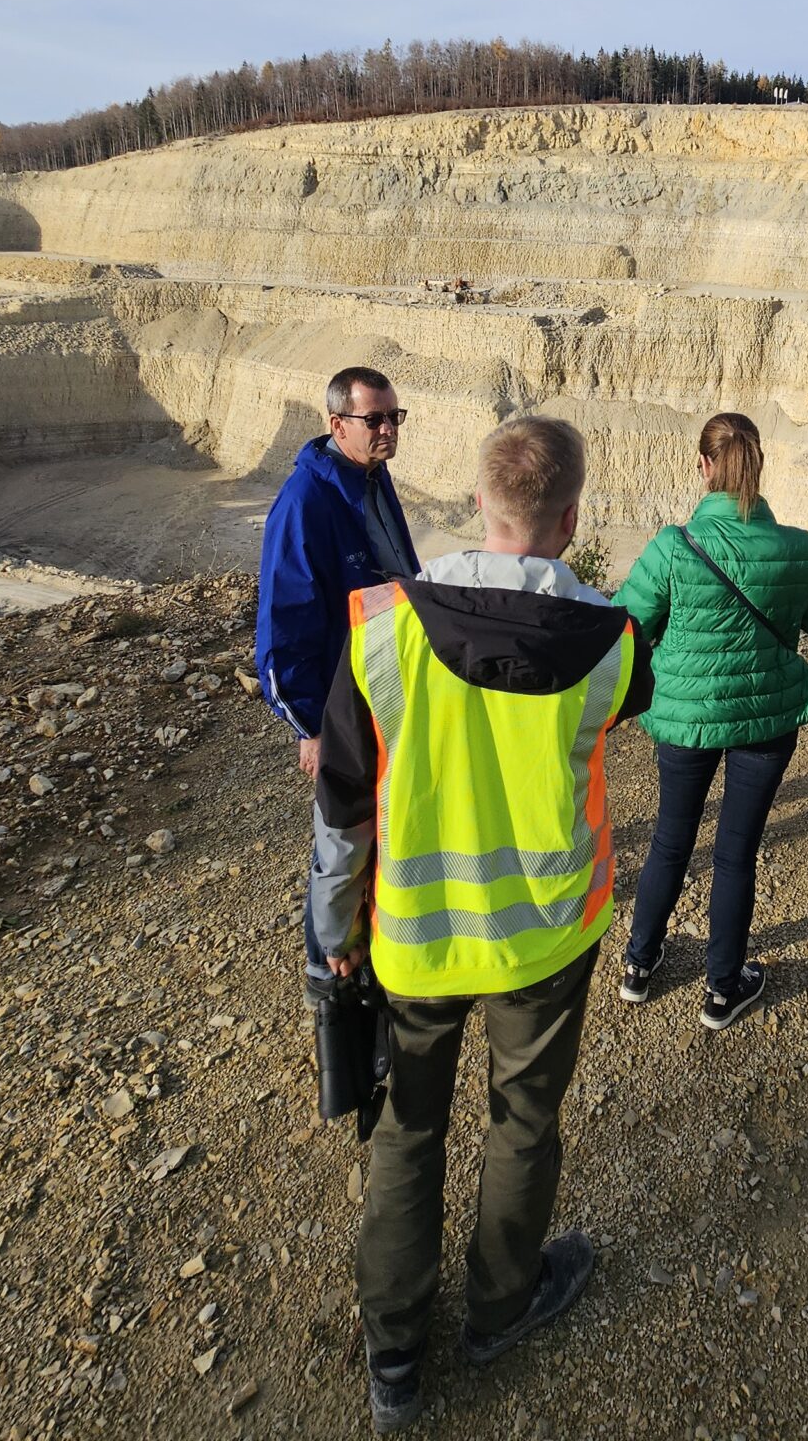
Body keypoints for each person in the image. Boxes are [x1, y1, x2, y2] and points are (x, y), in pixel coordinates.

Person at [307, 416, 653, 1433]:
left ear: (475, 503)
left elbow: (339, 800)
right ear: (572, 518)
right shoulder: (611, 645)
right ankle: (501, 1306)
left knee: (406, 1134)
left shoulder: (381, 627)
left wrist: (333, 928)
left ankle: (395, 1359)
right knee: (524, 1123)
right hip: (546, 932)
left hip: (413, 935)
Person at [613, 413, 808, 1030]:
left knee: (670, 838)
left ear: (704, 467)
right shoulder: (799, 548)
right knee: (736, 851)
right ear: (758, 466)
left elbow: (627, 624)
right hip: (766, 718)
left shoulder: (671, 548)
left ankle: (638, 964)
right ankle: (722, 988)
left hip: (685, 720)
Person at [257, 366, 421, 785]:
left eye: (394, 416)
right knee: (344, 834)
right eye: (373, 419)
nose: (388, 428)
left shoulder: (370, 474)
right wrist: (310, 727)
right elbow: (284, 624)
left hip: (388, 685)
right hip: (344, 704)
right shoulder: (304, 503)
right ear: (338, 425)